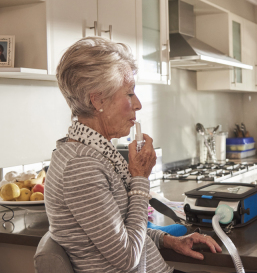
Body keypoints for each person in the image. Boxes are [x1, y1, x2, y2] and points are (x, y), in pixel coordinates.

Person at [45, 37, 221, 273]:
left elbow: (120, 230)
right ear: (98, 100)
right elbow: (127, 257)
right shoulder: (81, 166)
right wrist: (140, 179)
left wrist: (168, 241)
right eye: (129, 93)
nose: (138, 104)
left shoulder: (94, 153)